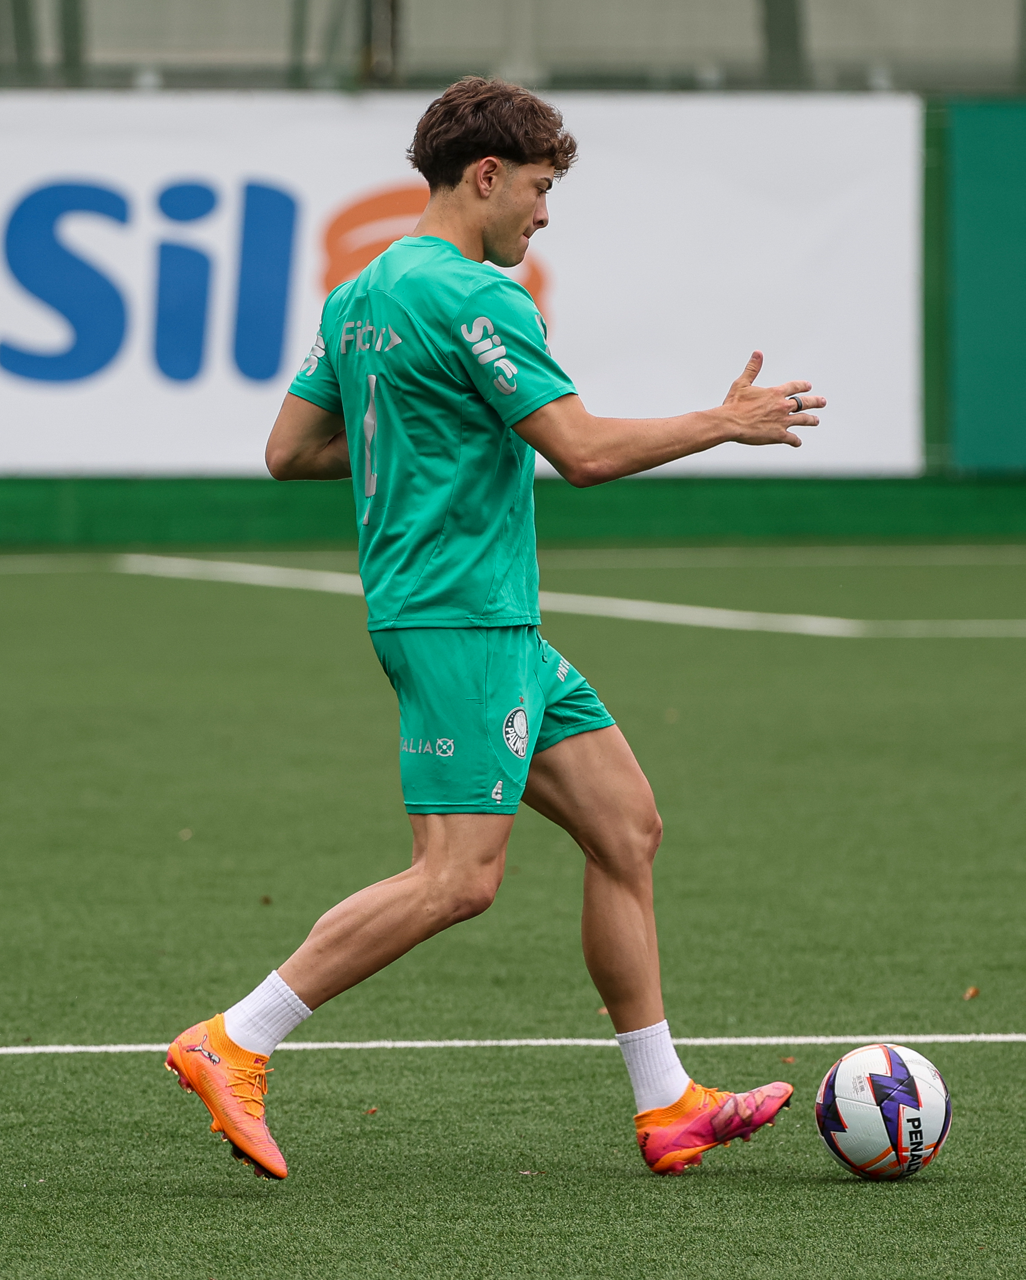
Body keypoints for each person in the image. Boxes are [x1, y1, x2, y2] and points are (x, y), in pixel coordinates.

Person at [166, 76, 825, 1181]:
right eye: (539, 187)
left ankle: (667, 1103)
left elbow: (290, 451)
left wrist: (426, 440)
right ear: (486, 175)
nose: (545, 212)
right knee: (458, 876)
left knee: (626, 827)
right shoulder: (481, 298)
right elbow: (583, 452)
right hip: (458, 616)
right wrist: (723, 420)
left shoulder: (361, 292)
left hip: (490, 619)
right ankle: (236, 1037)